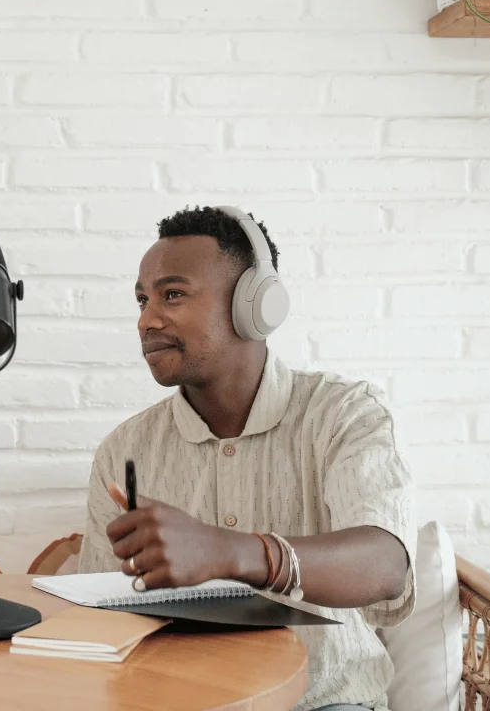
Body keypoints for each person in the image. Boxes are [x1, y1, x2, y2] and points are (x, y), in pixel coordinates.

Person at [78, 206, 415, 711]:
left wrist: (227, 551)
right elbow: (99, 615)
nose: (148, 319)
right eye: (142, 300)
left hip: (326, 701)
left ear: (255, 304)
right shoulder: (123, 452)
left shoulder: (344, 414)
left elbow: (385, 565)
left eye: (173, 294)